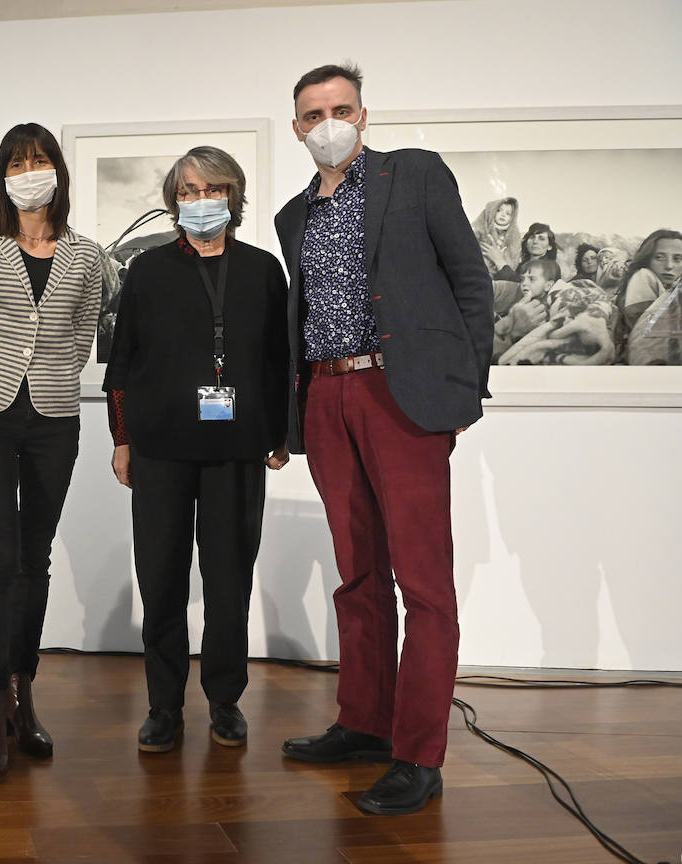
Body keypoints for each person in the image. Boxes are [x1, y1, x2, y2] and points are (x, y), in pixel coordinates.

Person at [273, 64, 492, 816]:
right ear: (296, 126)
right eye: (313, 113)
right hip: (328, 395)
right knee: (357, 573)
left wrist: (466, 386)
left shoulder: (417, 176)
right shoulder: (290, 215)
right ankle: (363, 721)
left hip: (401, 392)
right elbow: (296, 323)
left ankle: (417, 754)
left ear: (363, 115)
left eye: (341, 108)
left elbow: (470, 282)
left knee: (424, 583)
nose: (328, 121)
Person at [102, 146, 290, 756]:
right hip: (159, 449)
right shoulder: (149, 271)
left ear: (234, 196)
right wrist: (123, 439)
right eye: (188, 190)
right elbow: (122, 364)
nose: (200, 201)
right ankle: (163, 705)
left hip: (236, 448)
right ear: (172, 199)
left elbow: (279, 361)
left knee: (229, 577)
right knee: (160, 578)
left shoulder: (263, 270)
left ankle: (226, 699)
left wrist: (279, 432)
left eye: (212, 190)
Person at [0, 123, 103, 782]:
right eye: (17, 161)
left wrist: (53, 380)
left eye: (39, 160)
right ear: (3, 174)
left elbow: (84, 331)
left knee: (34, 555)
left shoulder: (87, 254)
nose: (29, 169)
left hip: (56, 418)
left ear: (58, 171)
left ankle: (21, 696)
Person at [618, 229, 682, 335]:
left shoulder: (674, 286)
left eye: (677, 259)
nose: (669, 266)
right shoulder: (643, 277)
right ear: (647, 259)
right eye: (660, 257)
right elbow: (649, 331)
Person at [471, 197, 521, 281]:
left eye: (508, 213)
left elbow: (513, 261)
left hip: (499, 280)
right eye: (498, 210)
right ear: (491, 212)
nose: (503, 215)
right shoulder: (480, 231)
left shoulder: (513, 238)